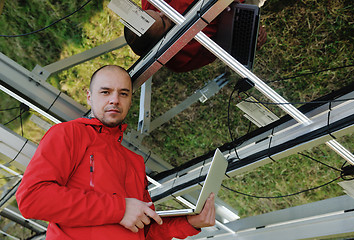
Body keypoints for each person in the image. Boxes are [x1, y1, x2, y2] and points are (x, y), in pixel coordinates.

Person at [16, 65, 216, 240]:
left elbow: (145, 231)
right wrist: (119, 209)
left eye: (123, 93)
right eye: (105, 92)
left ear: (130, 101)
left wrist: (191, 222)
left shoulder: (135, 162)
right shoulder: (69, 133)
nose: (115, 100)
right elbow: (32, 199)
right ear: (89, 96)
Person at [124, 0, 267, 73]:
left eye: (153, 12)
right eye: (163, 21)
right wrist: (251, 32)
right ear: (160, 44)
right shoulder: (180, 59)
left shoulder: (151, 4)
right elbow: (226, 43)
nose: (163, 12)